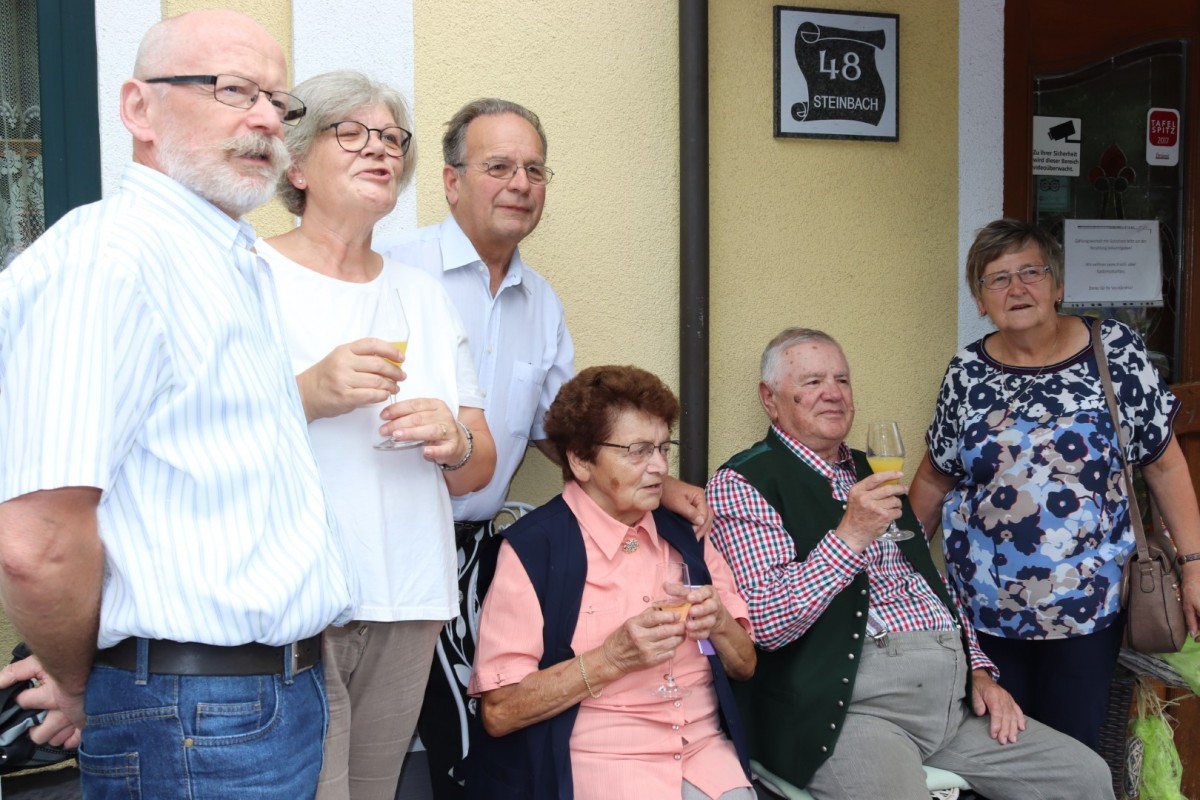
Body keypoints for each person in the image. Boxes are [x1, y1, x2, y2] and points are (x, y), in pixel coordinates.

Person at [0, 10, 354, 798]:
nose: (265, 118)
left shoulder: (224, 261)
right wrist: (81, 682)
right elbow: (37, 541)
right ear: (139, 108)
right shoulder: (110, 262)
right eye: (233, 90)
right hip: (194, 714)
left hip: (256, 703)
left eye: (277, 100)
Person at [377, 98, 711, 796]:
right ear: (450, 180)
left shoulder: (542, 302)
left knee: (469, 747)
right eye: (498, 166)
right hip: (389, 549)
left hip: (472, 557)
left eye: (534, 169)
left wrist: (658, 480)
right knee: (399, 742)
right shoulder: (395, 272)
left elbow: (568, 436)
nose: (520, 184)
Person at [707, 327, 1115, 800]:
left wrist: (980, 671)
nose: (833, 393)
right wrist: (850, 536)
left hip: (952, 705)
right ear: (770, 399)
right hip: (847, 714)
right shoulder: (744, 482)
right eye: (813, 382)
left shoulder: (872, 468)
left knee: (1084, 777)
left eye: (842, 380)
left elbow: (930, 582)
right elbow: (765, 622)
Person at [257, 70, 496, 800]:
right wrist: (308, 393)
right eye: (352, 133)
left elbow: (478, 464)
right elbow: (197, 434)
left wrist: (453, 439)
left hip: (409, 596)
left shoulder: (422, 295)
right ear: (297, 165)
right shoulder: (250, 275)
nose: (381, 149)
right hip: (300, 600)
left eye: (393, 138)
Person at [909, 218, 1200, 752]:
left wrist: (1196, 565)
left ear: (1058, 285)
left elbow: (1163, 465)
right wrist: (899, 571)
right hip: (984, 616)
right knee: (998, 760)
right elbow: (934, 477)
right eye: (998, 279)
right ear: (980, 300)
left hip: (1087, 612)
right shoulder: (967, 373)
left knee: (1073, 759)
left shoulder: (1114, 349)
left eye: (1031, 273)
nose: (1017, 288)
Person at [466, 365, 754, 800]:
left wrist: (720, 624)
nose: (660, 467)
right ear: (581, 460)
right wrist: (611, 659)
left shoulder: (687, 533)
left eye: (663, 448)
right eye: (638, 451)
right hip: (602, 765)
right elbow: (500, 711)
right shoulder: (534, 550)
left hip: (705, 757)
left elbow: (745, 665)